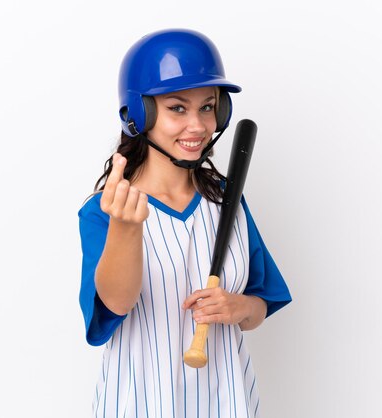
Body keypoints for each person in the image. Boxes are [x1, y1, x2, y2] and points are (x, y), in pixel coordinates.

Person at [78, 28, 292, 418]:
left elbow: (260, 306)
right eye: (178, 108)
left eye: (207, 107)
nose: (198, 125)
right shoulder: (106, 210)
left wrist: (237, 305)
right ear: (140, 113)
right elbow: (116, 304)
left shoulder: (229, 201)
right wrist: (126, 228)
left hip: (228, 402)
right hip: (140, 404)